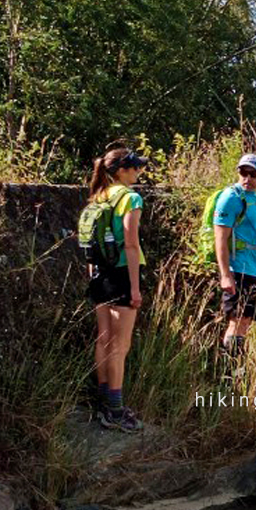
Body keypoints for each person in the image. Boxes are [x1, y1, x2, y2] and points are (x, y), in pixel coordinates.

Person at [86, 146, 149, 432]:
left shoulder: (98, 197)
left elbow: (90, 245)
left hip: (99, 275)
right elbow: (131, 244)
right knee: (120, 347)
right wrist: (135, 288)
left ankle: (103, 400)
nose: (139, 172)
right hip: (122, 274)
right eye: (136, 167)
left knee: (103, 340)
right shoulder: (130, 198)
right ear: (122, 170)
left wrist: (94, 276)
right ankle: (115, 410)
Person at [214, 153, 256, 376]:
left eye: (253, 174)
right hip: (239, 270)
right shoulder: (231, 197)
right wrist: (225, 274)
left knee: (245, 321)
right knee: (236, 322)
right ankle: (228, 374)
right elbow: (220, 237)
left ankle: (237, 371)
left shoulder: (255, 198)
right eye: (243, 172)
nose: (247, 178)